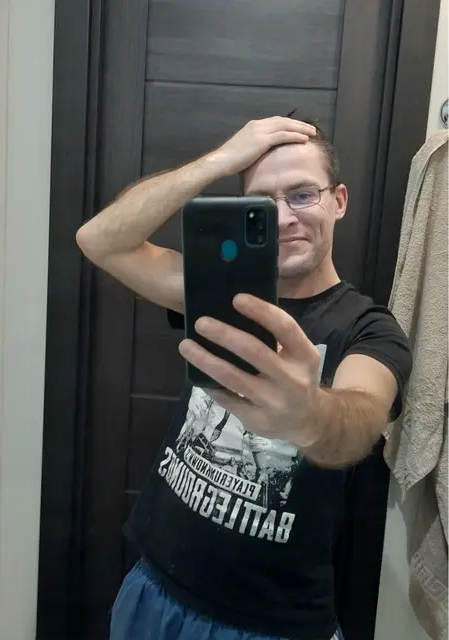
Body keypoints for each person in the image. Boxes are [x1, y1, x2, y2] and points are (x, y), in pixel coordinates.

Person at [76, 116, 413, 640]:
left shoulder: (369, 329)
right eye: (263, 202)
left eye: (302, 195)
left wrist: (309, 417)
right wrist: (219, 161)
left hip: (270, 625)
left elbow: (361, 416)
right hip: (151, 593)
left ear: (339, 201)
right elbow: (99, 240)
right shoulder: (217, 289)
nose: (284, 218)